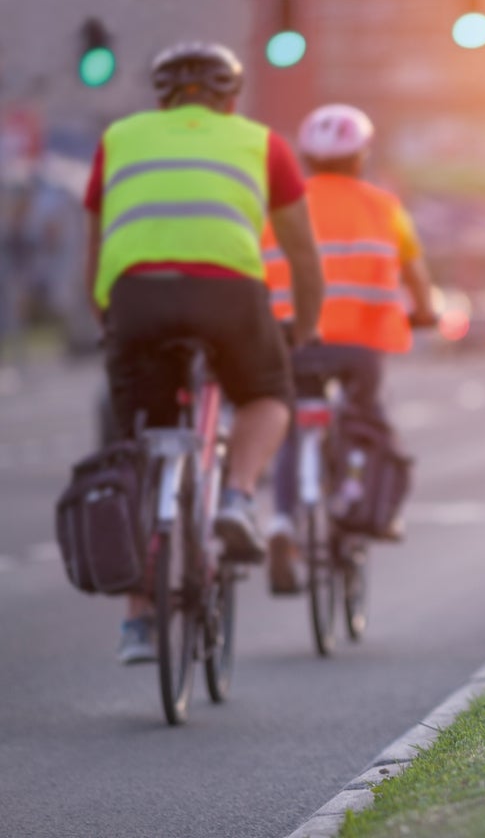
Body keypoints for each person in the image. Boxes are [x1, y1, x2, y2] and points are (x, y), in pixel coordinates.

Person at [83, 42, 324, 663]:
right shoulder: (262, 143)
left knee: (140, 446)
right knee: (269, 396)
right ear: (230, 98)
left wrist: (107, 317)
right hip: (229, 295)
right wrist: (303, 329)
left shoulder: (119, 138)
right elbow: (302, 255)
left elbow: (97, 242)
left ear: (161, 98)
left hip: (137, 299)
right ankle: (239, 497)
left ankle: (138, 623)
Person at [260, 103, 437, 595]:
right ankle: (357, 494)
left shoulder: (280, 207)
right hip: (360, 346)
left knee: (294, 427)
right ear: (362, 156)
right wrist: (426, 312)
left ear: (306, 158)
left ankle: (281, 526)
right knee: (364, 422)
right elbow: (417, 277)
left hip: (294, 339)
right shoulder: (385, 207)